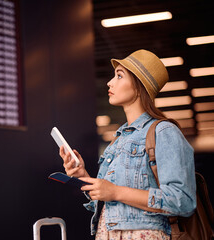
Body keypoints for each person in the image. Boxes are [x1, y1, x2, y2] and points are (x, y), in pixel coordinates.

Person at [59, 49, 196, 239]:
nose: (110, 82)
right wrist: (82, 175)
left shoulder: (164, 132)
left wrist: (115, 192)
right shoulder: (119, 138)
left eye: (119, 76)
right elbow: (109, 202)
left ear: (140, 86)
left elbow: (182, 200)